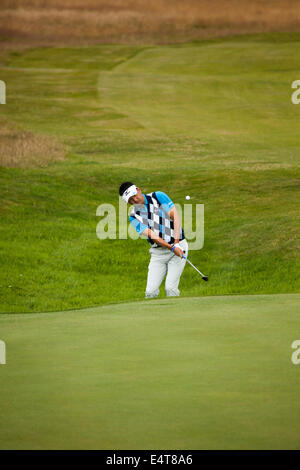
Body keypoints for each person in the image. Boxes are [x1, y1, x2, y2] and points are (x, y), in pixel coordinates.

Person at [119, 182, 188, 298]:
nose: (134, 201)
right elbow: (153, 236)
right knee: (150, 292)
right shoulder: (133, 216)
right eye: (130, 200)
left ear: (138, 190)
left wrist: (176, 243)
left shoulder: (158, 197)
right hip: (158, 253)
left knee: (170, 288)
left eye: (134, 196)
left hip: (179, 246)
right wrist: (171, 247)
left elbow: (175, 216)